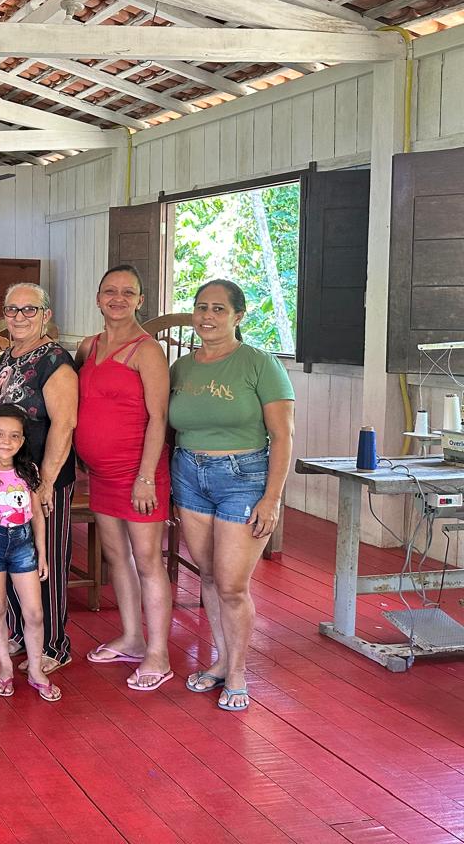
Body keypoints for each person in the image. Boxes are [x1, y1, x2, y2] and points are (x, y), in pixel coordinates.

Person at [170, 279, 295, 712]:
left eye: (219, 309)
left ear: (238, 316)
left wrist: (272, 498)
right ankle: (221, 661)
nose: (207, 316)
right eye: (201, 307)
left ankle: (238, 672)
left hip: (244, 477)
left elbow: (283, 436)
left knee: (232, 584)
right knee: (207, 575)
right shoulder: (181, 368)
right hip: (189, 474)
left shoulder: (260, 364)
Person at [75, 265, 173, 690]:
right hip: (101, 474)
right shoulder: (88, 346)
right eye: (110, 291)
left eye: (128, 292)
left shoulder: (147, 351)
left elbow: (159, 417)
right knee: (117, 559)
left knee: (148, 563)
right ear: (98, 298)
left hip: (139, 475)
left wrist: (146, 477)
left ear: (140, 300)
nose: (118, 298)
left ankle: (159, 654)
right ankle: (133, 638)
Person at [0, 283, 77, 676]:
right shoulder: (9, 355)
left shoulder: (55, 360)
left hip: (39, 480)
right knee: (10, 556)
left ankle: (54, 643)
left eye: (29, 310)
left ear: (46, 315)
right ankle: (21, 631)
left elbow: (64, 424)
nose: (19, 317)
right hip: (5, 483)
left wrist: (46, 481)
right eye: (12, 309)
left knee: (42, 558)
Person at [0, 405, 62, 702]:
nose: (6, 441)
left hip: (23, 545)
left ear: (22, 440)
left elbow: (37, 516)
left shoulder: (28, 471)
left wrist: (42, 554)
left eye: (14, 436)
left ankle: (35, 669)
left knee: (34, 613)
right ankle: (5, 667)